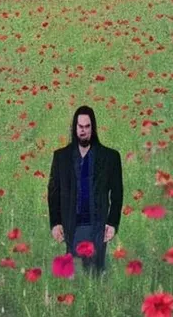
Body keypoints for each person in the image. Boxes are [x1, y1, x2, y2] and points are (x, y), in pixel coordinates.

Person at [47, 105, 123, 275]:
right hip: (72, 225)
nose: (83, 131)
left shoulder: (110, 157)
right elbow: (53, 192)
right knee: (74, 277)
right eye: (80, 127)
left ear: (93, 128)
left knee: (95, 276)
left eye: (87, 127)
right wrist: (55, 222)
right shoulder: (61, 157)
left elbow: (117, 194)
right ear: (75, 128)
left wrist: (112, 223)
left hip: (97, 226)